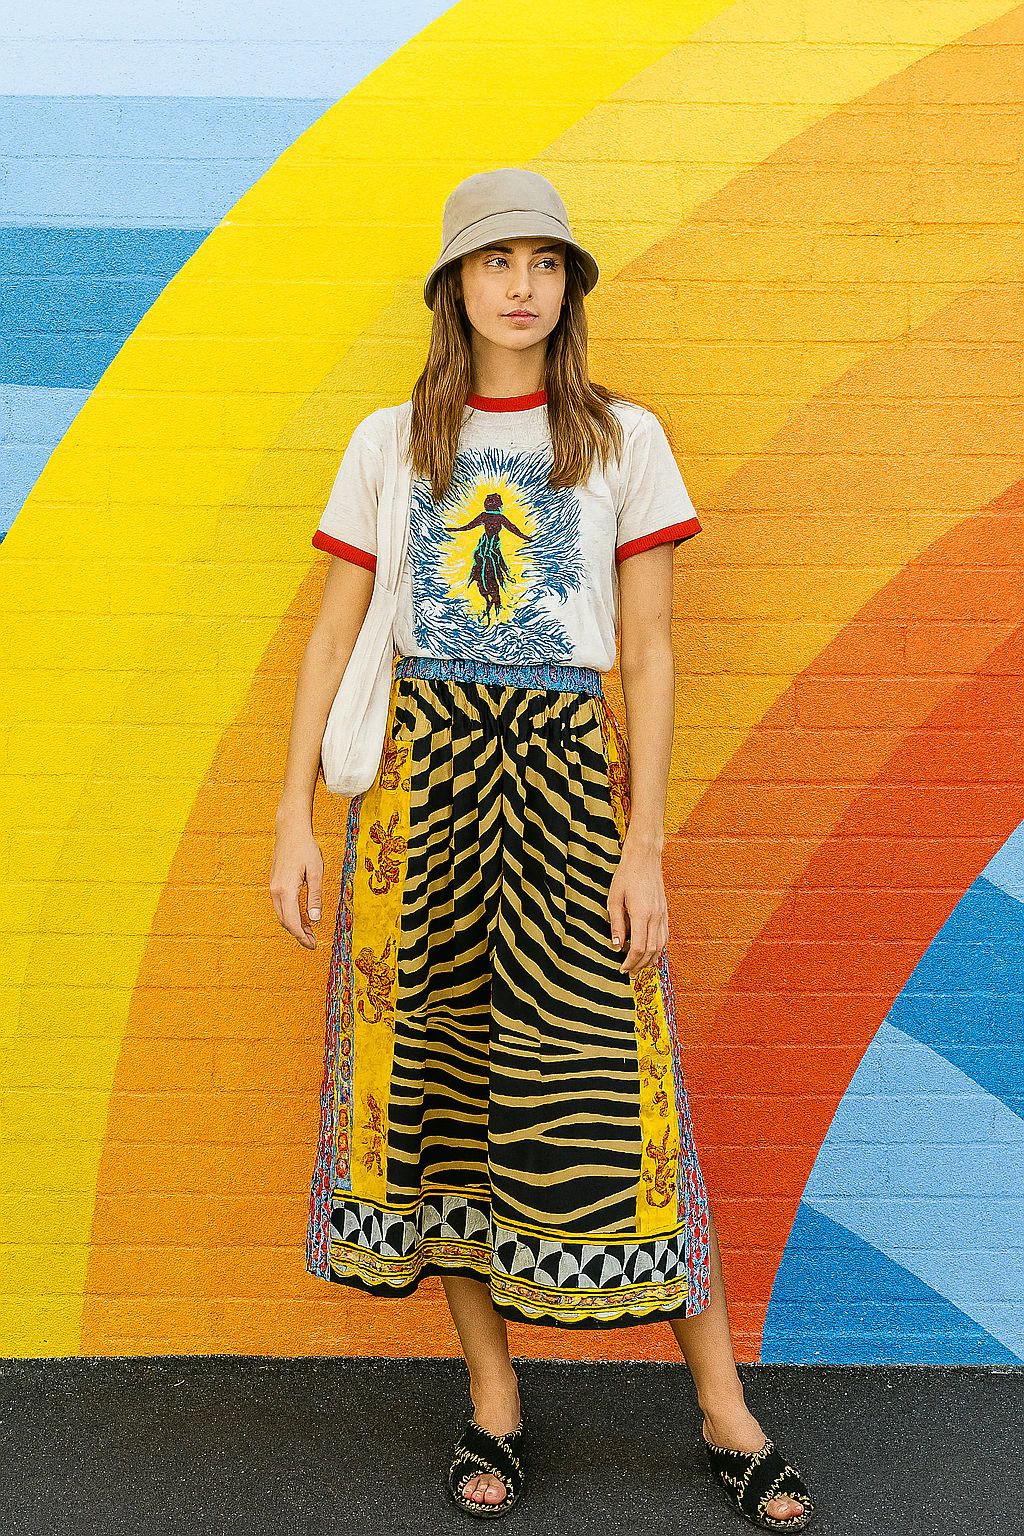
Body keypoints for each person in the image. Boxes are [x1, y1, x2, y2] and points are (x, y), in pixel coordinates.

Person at [270, 168, 816, 1529]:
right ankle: (495, 1398)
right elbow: (334, 634)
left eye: (545, 261)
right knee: (440, 1094)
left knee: (629, 1097)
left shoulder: (625, 439)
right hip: (421, 797)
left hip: (571, 784)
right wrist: (293, 816)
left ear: (568, 287)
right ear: (453, 287)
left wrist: (645, 847)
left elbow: (650, 648)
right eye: (494, 260)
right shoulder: (388, 442)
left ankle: (723, 1406)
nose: (521, 284)